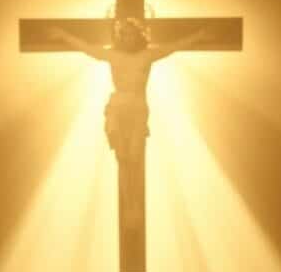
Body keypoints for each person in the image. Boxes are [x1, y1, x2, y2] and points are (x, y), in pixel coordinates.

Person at [48, 19, 210, 226]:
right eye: (123, 34)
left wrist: (198, 36)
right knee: (123, 159)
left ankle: (133, 205)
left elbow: (173, 47)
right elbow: (87, 49)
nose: (127, 37)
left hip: (138, 111)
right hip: (117, 109)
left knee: (134, 158)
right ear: (119, 36)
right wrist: (63, 36)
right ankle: (130, 206)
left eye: (131, 33)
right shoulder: (113, 55)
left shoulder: (147, 55)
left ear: (139, 35)